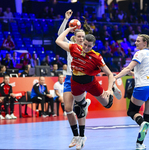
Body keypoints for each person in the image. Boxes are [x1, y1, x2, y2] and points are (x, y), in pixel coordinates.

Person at [56, 11, 121, 149]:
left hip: (86, 79)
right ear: (75, 37)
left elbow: (106, 70)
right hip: (71, 78)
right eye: (78, 36)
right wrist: (66, 21)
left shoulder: (91, 52)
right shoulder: (72, 47)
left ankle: (81, 135)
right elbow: (59, 37)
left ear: (86, 40)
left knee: (80, 107)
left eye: (82, 37)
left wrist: (109, 87)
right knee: (68, 109)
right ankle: (76, 136)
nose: (80, 39)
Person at [114, 34, 149, 149]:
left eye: (138, 41)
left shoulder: (139, 53)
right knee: (147, 116)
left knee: (132, 111)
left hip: (143, 87)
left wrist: (115, 77)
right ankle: (139, 144)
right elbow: (146, 72)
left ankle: (141, 123)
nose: (135, 43)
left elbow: (128, 67)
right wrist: (135, 74)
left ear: (145, 43)